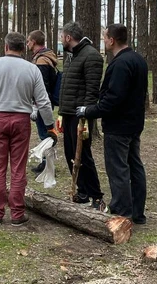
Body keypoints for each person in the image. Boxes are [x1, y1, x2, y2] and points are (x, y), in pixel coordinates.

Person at [0, 32, 58, 226]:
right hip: (21, 121)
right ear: (22, 48)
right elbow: (43, 102)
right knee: (18, 169)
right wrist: (50, 127)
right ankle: (17, 214)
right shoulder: (32, 69)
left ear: (6, 47)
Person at [75, 24, 148, 224]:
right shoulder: (138, 59)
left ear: (112, 40)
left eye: (104, 37)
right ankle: (137, 212)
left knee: (119, 169)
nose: (103, 40)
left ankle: (122, 212)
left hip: (119, 126)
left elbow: (112, 100)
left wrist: (88, 110)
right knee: (134, 166)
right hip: (134, 124)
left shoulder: (121, 64)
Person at [59, 22, 106, 211]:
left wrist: (85, 114)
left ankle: (96, 196)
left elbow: (92, 89)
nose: (61, 39)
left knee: (83, 155)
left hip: (80, 115)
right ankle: (83, 191)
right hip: (68, 112)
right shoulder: (72, 56)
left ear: (69, 37)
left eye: (62, 36)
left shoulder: (91, 55)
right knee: (71, 154)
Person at [27, 30, 59, 173]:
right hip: (45, 102)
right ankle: (46, 162)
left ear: (33, 42)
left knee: (45, 134)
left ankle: (47, 165)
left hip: (43, 103)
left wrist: (36, 107)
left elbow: (42, 87)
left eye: (29, 41)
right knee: (45, 133)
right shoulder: (46, 57)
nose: (27, 43)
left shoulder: (41, 61)